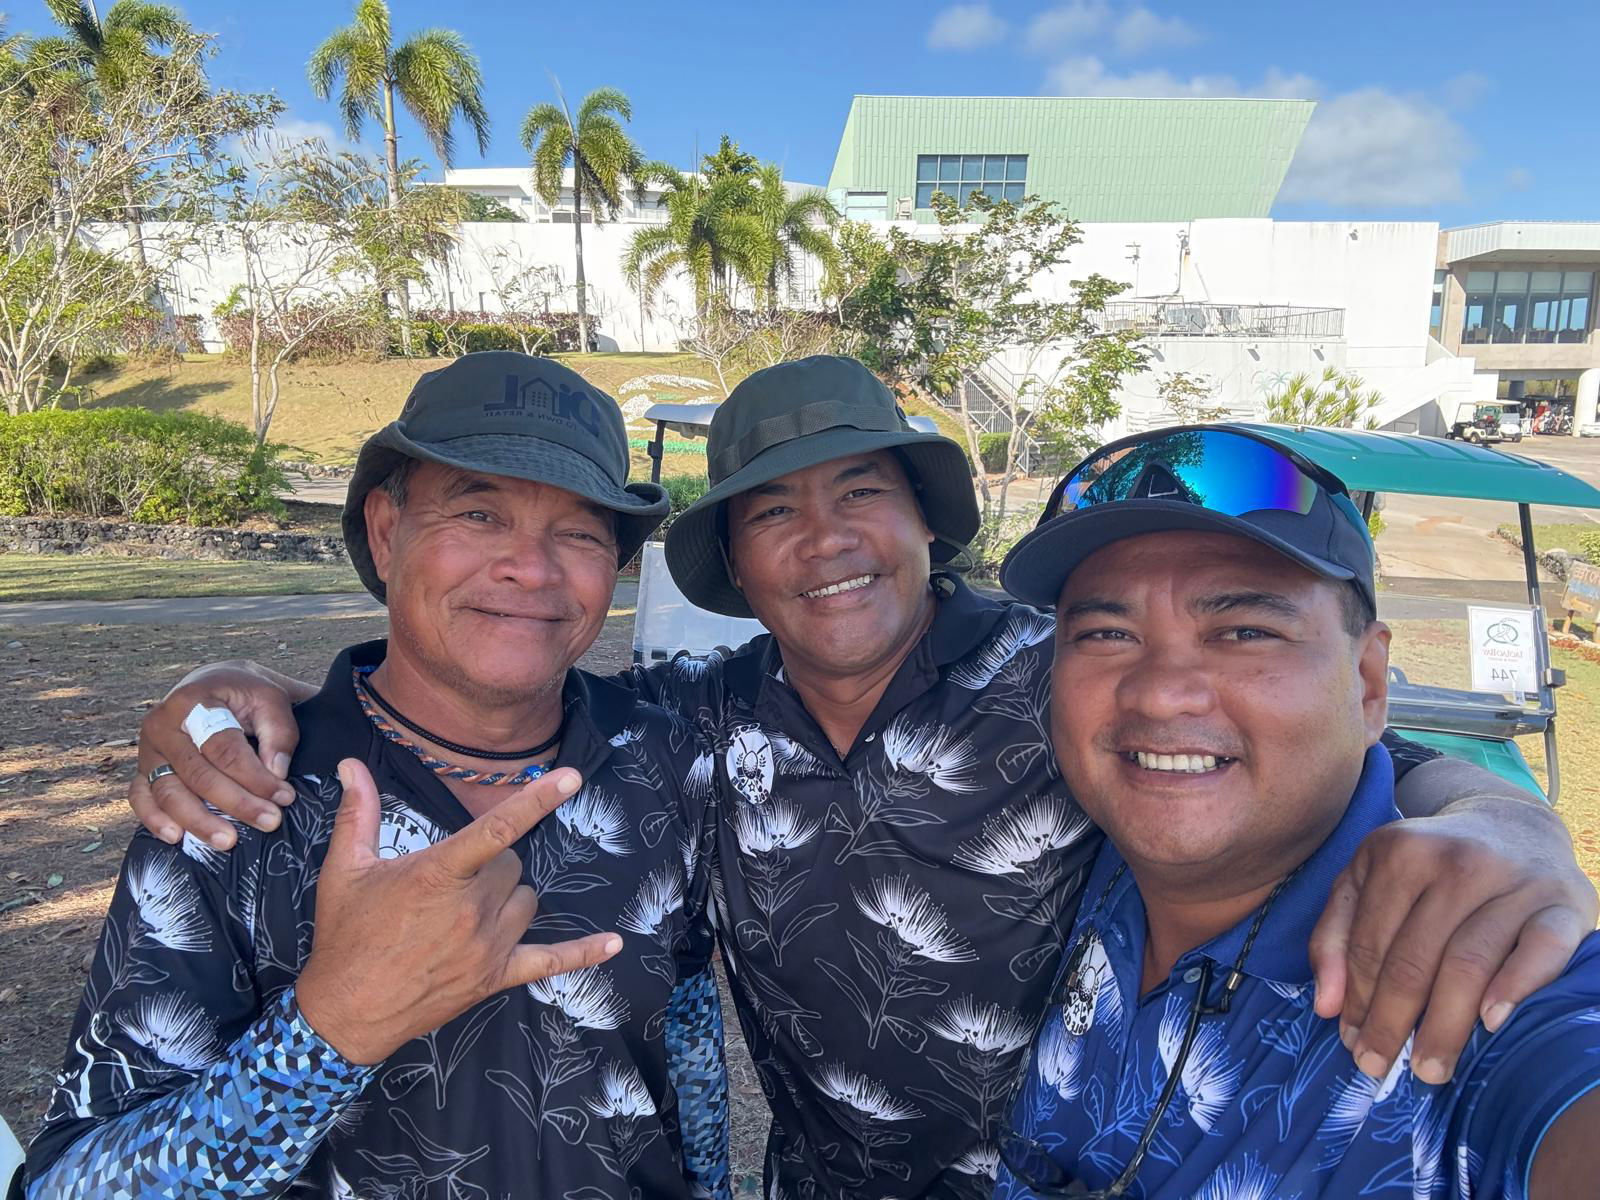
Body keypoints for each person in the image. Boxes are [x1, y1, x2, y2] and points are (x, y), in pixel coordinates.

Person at [126, 358, 1597, 1198]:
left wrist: (1508, 819)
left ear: (923, 523)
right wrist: (236, 701)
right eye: (774, 512)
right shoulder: (685, 728)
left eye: (861, 493)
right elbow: (476, 689)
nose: (825, 540)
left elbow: (1318, 750)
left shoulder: (1068, 670)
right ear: (734, 564)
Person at [24, 354, 729, 1199]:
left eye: (579, 532)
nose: (533, 567)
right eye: (478, 513)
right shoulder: (241, 795)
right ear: (387, 532)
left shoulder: (665, 759)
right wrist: (334, 1024)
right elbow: (66, 1184)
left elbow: (685, 1037)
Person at [992, 425, 1600, 1198]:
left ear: (1369, 684)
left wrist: (1514, 820)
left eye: (1246, 632)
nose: (1160, 693)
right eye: (1109, 633)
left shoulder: (1481, 976)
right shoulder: (1081, 835)